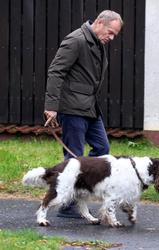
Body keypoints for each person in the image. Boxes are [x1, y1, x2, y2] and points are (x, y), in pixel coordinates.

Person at [43, 10, 123, 218]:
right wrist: (51, 106)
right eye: (110, 32)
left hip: (89, 107)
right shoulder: (76, 40)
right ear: (98, 22)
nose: (111, 38)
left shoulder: (97, 42)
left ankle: (78, 187)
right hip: (71, 108)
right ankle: (67, 204)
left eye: (115, 34)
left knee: (102, 147)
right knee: (74, 156)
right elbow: (56, 71)